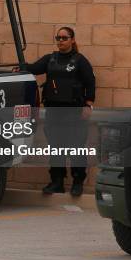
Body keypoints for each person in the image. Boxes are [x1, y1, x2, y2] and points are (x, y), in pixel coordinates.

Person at [23, 27, 95, 197]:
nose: (61, 41)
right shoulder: (50, 59)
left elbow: (90, 82)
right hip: (54, 111)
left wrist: (88, 104)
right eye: (58, 38)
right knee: (56, 148)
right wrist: (20, 67)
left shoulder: (80, 60)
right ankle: (57, 182)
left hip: (74, 112)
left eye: (64, 38)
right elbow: (33, 68)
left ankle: (77, 183)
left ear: (72, 40)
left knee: (76, 147)